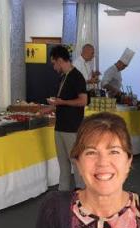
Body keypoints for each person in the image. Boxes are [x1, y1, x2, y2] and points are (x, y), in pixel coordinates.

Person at [45, 45, 88, 191]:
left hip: (72, 127)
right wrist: (47, 109)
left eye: (54, 63)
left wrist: (62, 102)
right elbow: (60, 102)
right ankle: (63, 191)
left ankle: (81, 192)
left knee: (76, 161)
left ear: (60, 60)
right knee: (63, 163)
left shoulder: (77, 77)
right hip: (60, 126)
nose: (54, 67)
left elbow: (83, 101)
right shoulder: (63, 77)